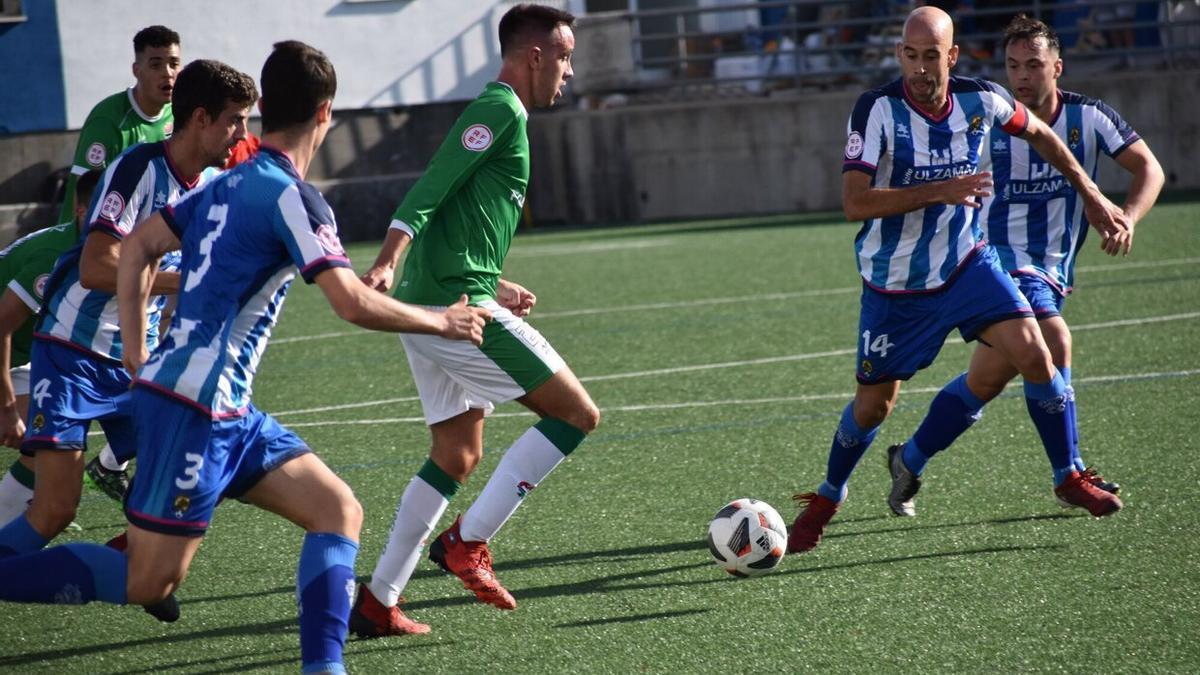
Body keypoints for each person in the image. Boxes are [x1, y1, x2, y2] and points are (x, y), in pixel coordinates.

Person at [0, 40, 488, 675]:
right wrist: (443, 321)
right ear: (326, 113)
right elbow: (347, 305)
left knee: (337, 509)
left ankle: (324, 668)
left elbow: (144, 243)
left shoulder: (227, 182)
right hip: (196, 410)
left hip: (222, 407)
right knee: (148, 583)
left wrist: (140, 350)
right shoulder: (292, 195)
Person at [788, 6, 1132, 555]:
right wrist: (941, 190)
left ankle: (1068, 475)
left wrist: (1092, 195)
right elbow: (854, 203)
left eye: (932, 57)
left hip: (968, 264)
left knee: (1038, 351)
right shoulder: (875, 110)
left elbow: (1042, 133)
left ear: (951, 56)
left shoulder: (983, 99)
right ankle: (829, 496)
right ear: (899, 54)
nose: (920, 69)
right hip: (895, 285)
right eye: (910, 56)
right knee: (874, 406)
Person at [350, 3, 600, 637]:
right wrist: (385, 262)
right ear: (534, 55)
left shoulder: (505, 115)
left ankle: (379, 601)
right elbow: (430, 188)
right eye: (565, 56)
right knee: (576, 415)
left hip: (445, 299)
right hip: (451, 311)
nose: (569, 71)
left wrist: (495, 279)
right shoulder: (500, 110)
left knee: (456, 453)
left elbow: (459, 210)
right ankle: (468, 543)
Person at [882, 15, 1164, 516]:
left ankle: (909, 457)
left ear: (1058, 66)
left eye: (1033, 65)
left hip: (1052, 269)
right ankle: (1069, 473)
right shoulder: (987, 115)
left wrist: (1129, 217)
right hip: (992, 260)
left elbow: (1149, 167)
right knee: (1054, 342)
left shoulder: (1089, 117)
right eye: (1013, 66)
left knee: (986, 380)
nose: (1022, 77)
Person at [0, 59, 257, 558]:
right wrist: (188, 281)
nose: (241, 134)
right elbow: (96, 269)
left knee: (203, 454)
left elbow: (177, 286)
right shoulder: (139, 168)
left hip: (129, 362)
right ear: (201, 118)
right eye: (235, 120)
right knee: (55, 510)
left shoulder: (204, 187)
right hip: (72, 355)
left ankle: (135, 559)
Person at [0, 171, 103, 524]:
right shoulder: (55, 256)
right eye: (103, 211)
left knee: (47, 440)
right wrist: (7, 407)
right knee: (44, 437)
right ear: (80, 210)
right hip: (7, 351)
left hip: (21, 358)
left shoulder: (97, 249)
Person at [58, 26, 181, 224]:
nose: (167, 73)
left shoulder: (177, 114)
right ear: (136, 70)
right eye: (156, 65)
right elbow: (83, 194)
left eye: (174, 64)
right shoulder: (108, 121)